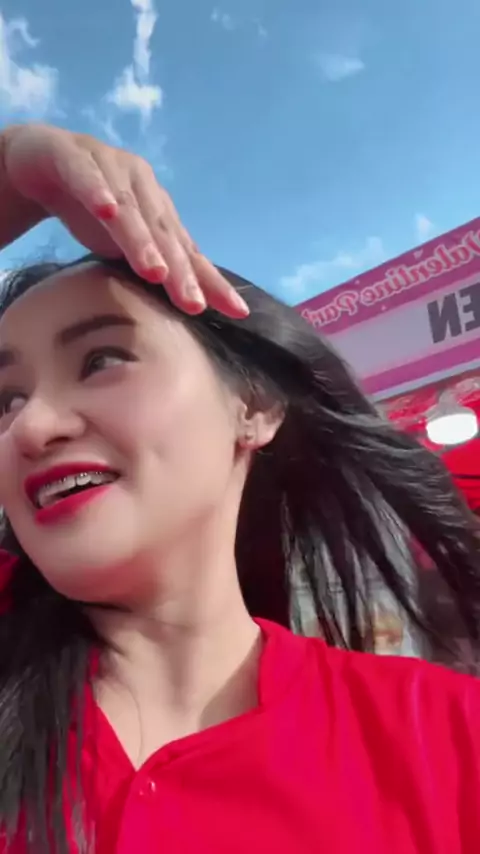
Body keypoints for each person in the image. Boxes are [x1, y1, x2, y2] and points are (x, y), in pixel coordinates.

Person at [0, 124, 478, 854]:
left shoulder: (447, 738)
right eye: (5, 400)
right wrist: (12, 170)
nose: (31, 426)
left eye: (101, 360)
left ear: (253, 406)